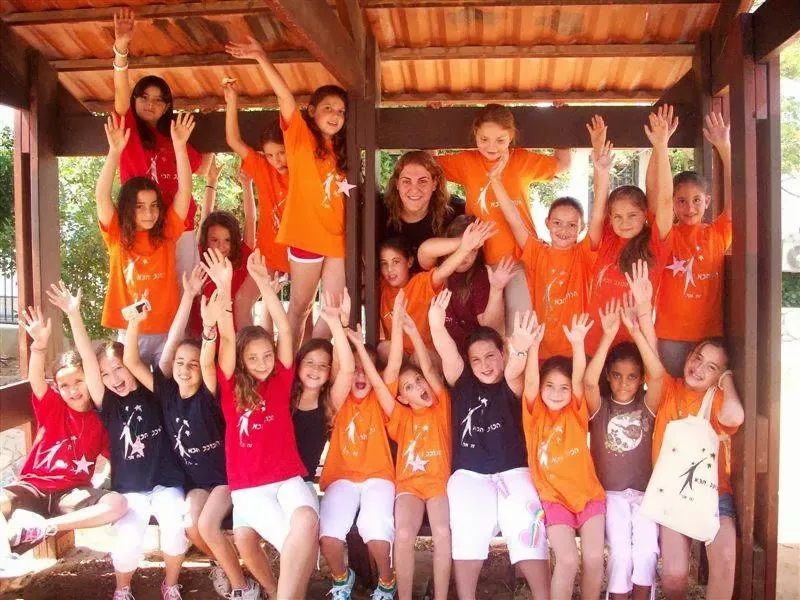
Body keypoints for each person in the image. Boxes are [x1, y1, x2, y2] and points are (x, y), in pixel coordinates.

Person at [121, 264, 260, 600]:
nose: (185, 369)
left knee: (208, 525)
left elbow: (210, 360)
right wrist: (135, 323)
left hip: (225, 478)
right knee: (192, 527)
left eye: (192, 364)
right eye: (180, 363)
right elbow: (132, 362)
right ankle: (232, 571)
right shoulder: (167, 393)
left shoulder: (209, 395)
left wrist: (210, 327)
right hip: (196, 483)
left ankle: (243, 589)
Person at [53, 280, 187, 599]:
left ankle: (170, 585)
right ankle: (122, 588)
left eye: (118, 369)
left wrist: (135, 324)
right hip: (130, 490)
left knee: (174, 530)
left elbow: (146, 354)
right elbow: (88, 360)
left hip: (167, 483)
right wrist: (73, 314)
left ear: (129, 365)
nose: (114, 379)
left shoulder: (152, 391)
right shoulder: (108, 404)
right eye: (105, 374)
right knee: (128, 539)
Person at [204, 247, 318, 600]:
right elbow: (226, 337)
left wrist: (264, 284)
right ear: (241, 361)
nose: (263, 362)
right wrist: (224, 288)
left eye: (267, 355)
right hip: (250, 487)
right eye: (253, 358)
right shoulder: (230, 386)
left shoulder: (281, 379)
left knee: (307, 521)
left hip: (288, 476)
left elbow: (285, 328)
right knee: (293, 544)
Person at [226, 36, 349, 350]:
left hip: (336, 240)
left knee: (334, 310)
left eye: (341, 111)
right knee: (300, 309)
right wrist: (261, 56)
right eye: (328, 108)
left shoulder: (341, 149)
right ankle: (288, 368)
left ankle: (312, 363)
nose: (335, 114)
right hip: (307, 239)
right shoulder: (300, 139)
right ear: (312, 111)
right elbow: (285, 98)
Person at [429, 291, 550, 600]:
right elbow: (447, 353)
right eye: (476, 360)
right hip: (469, 474)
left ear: (502, 354)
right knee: (468, 530)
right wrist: (435, 323)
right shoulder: (463, 382)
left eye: (491, 356)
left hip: (514, 471)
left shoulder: (511, 382)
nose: (484, 365)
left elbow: (515, 369)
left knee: (527, 525)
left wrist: (519, 350)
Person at [0, 292, 127, 578]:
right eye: (65, 385)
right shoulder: (53, 406)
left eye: (78, 381)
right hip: (32, 488)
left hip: (71, 495)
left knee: (117, 503)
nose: (73, 390)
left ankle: (43, 527)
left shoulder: (101, 418)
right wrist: (39, 347)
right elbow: (35, 380)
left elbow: (117, 459)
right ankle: (5, 561)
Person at [435, 103, 572, 326]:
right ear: (475, 134)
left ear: (511, 136)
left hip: (520, 261)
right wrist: (435, 116)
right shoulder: (467, 162)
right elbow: (430, 164)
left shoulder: (521, 160)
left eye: (500, 140)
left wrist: (559, 117)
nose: (492, 147)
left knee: (521, 330)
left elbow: (563, 163)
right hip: (481, 265)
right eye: (484, 139)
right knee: (490, 334)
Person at [491, 117, 609, 359]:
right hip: (542, 350)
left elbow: (598, 214)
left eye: (572, 225)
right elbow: (513, 219)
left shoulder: (584, 253)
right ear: (547, 223)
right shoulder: (536, 251)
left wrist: (600, 164)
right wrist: (495, 180)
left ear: (581, 228)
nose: (564, 230)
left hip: (578, 350)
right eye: (557, 223)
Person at [584, 261, 665, 600]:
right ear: (609, 376)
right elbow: (589, 382)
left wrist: (634, 330)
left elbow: (658, 375)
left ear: (640, 379)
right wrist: (608, 334)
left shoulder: (647, 406)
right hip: (611, 494)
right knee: (621, 554)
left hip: (645, 495)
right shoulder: (600, 407)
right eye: (617, 375)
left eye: (632, 377)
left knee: (646, 554)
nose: (623, 383)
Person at [112, 9, 209, 280]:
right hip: (142, 226)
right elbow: (120, 92)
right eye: (143, 97)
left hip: (181, 226)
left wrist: (209, 121)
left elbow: (201, 167)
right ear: (134, 100)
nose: (150, 104)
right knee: (148, 294)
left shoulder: (175, 137)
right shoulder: (128, 130)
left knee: (186, 293)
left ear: (167, 106)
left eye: (158, 100)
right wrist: (121, 48)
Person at [94, 110, 195, 364]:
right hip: (130, 330)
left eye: (154, 205)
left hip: (168, 331)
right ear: (128, 209)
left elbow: (185, 191)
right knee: (132, 384)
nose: (149, 212)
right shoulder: (117, 234)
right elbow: (101, 196)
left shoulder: (168, 232)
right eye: (140, 206)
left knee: (164, 386)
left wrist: (179, 147)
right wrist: (114, 152)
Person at [316, 299, 396, 600]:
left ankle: (387, 582)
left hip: (378, 477)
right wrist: (340, 323)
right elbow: (342, 367)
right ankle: (341, 579)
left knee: (375, 530)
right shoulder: (339, 399)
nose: (361, 376)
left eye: (368, 371)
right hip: (342, 477)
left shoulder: (381, 398)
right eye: (356, 370)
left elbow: (392, 366)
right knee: (329, 535)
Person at [522, 311, 604, 600]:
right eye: (550, 386)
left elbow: (579, 378)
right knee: (568, 560)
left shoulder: (575, 411)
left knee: (594, 558)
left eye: (563, 388)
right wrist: (533, 347)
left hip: (589, 496)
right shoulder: (534, 414)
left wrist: (578, 345)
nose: (557, 393)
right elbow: (530, 383)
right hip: (554, 500)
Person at [654, 339, 744, 600]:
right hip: (672, 495)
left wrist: (726, 379)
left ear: (719, 375)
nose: (699, 368)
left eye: (712, 367)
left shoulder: (716, 398)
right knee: (673, 575)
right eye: (698, 358)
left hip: (713, 494)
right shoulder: (668, 387)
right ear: (688, 356)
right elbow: (649, 348)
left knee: (725, 559)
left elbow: (734, 417)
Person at [583, 106, 676, 356]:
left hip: (635, 348)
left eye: (632, 215)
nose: (624, 222)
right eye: (618, 217)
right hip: (595, 345)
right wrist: (600, 163)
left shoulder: (655, 244)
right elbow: (598, 208)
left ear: (645, 215)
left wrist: (661, 147)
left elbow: (664, 199)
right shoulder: (606, 239)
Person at [380, 293, 452, 600]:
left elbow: (431, 372)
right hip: (408, 486)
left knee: (443, 532)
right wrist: (397, 327)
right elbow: (390, 377)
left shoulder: (441, 406)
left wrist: (413, 333)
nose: (419, 387)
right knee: (404, 533)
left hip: (438, 485)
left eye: (418, 380)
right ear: (402, 397)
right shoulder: (400, 417)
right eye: (409, 387)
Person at [655, 111, 733, 377]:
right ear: (673, 204)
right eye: (681, 201)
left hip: (709, 338)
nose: (689, 208)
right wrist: (661, 146)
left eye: (697, 200)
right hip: (671, 338)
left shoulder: (718, 233)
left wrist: (724, 147)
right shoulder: (668, 234)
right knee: (670, 395)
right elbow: (661, 197)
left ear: (707, 202)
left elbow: (739, 198)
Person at [378, 221, 496, 360]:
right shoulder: (382, 286)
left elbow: (441, 271)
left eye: (396, 261)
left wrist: (465, 248)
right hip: (400, 357)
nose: (389, 269)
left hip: (426, 355)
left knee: (418, 357)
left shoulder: (420, 282)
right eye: (384, 263)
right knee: (383, 348)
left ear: (409, 262)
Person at [223, 81, 291, 276]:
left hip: (301, 258)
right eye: (270, 155)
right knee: (245, 295)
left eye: (281, 153)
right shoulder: (263, 168)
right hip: (268, 256)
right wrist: (231, 102)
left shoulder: (305, 171)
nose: (276, 160)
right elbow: (233, 141)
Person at [417, 215, 512, 348]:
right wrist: (465, 244)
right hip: (440, 349)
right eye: (460, 248)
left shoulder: (480, 276)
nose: (466, 255)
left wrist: (496, 290)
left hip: (470, 353)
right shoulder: (441, 268)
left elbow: (490, 326)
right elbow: (424, 252)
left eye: (473, 250)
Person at [379, 151, 464, 263]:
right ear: (397, 184)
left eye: (423, 181)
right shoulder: (378, 210)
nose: (414, 190)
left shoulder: (454, 209)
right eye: (406, 181)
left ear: (434, 184)